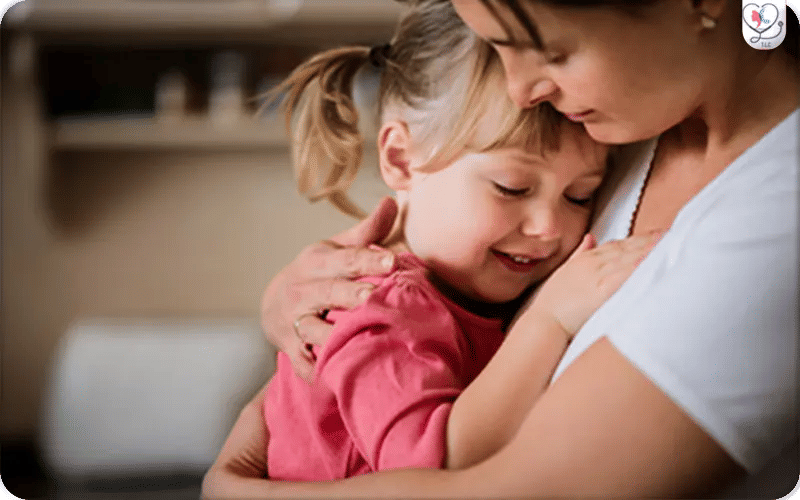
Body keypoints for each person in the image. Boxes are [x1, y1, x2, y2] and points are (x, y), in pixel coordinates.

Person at [203, 0, 799, 498]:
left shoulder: (771, 208)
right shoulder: (619, 121)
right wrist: (290, 300)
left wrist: (239, 491)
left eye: (552, 50)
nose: (523, 90)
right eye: (499, 47)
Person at [256, 0, 651, 482]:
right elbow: (435, 469)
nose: (550, 227)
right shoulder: (382, 309)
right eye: (512, 187)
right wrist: (548, 321)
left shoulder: (471, 289)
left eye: (580, 195)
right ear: (400, 160)